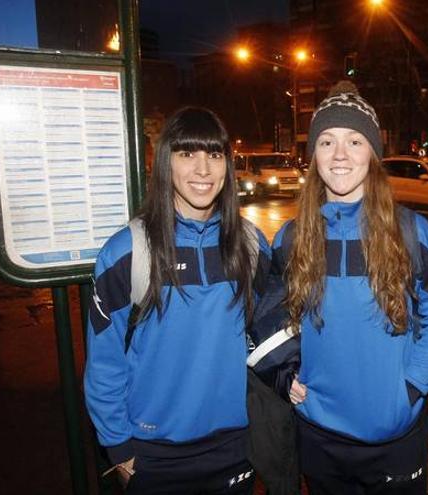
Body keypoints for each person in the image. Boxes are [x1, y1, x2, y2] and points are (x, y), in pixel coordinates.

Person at [270, 81, 428, 494]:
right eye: (326, 141)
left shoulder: (412, 232)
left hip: (394, 435)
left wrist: (412, 386)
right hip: (318, 433)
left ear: (372, 153)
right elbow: (269, 317)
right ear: (313, 155)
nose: (340, 155)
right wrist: (284, 373)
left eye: (354, 140)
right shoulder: (290, 238)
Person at [84, 107, 269, 494]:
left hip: (235, 444)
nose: (203, 170)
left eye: (214, 155)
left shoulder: (250, 245)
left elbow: (269, 334)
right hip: (152, 451)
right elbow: (104, 361)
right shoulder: (128, 251)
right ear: (166, 161)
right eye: (188, 154)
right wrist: (119, 449)